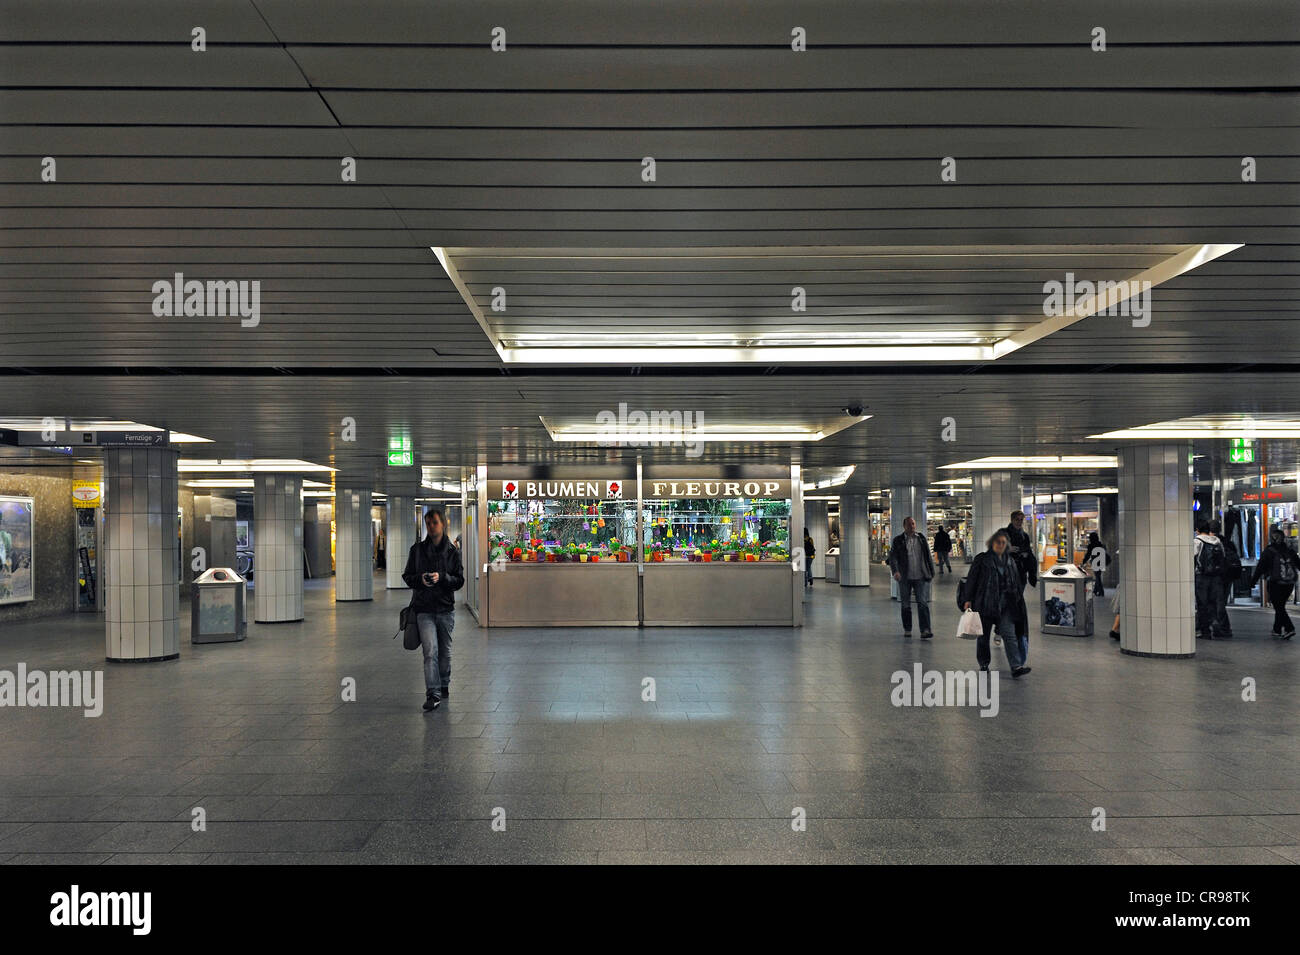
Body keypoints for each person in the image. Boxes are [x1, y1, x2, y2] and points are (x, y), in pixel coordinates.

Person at [402, 508, 465, 711]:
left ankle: (444, 683)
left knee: (445, 653)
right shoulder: (417, 550)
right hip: (424, 609)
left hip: (446, 609)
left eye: (434, 523)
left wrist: (442, 577)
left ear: (443, 524)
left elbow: (459, 580)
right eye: (428, 523)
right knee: (430, 652)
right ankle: (433, 693)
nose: (431, 527)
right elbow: (407, 575)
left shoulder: (452, 552)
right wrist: (420, 580)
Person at [963, 530, 1031, 677]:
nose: (1000, 545)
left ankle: (1016, 666)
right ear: (992, 543)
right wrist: (967, 599)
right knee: (983, 637)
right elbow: (972, 580)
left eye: (1003, 543)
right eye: (998, 542)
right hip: (985, 604)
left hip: (1006, 605)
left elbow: (1016, 582)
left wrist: (1018, 600)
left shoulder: (1010, 561)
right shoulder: (982, 559)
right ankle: (984, 663)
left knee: (1009, 634)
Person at [1000, 511, 1038, 664]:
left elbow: (1028, 551)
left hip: (1020, 574)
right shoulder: (1004, 533)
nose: (1020, 522)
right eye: (1017, 519)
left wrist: (1026, 557)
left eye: (1022, 520)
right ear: (1012, 519)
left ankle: (1008, 625)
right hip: (1006, 574)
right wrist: (1007, 550)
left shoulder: (1024, 536)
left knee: (1015, 601)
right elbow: (994, 549)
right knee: (1006, 601)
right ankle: (1002, 626)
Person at [889, 516, 935, 638]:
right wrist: (895, 571)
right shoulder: (898, 540)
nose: (912, 526)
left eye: (913, 524)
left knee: (923, 603)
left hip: (920, 576)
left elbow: (927, 556)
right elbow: (893, 557)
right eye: (909, 524)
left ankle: (925, 630)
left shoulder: (921, 539)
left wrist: (931, 572)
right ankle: (907, 628)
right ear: (904, 526)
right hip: (904, 577)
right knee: (905, 604)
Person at [1250, 527, 1299, 639]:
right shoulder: (1290, 551)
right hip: (1289, 584)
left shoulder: (1269, 551)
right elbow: (1298, 564)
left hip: (1275, 583)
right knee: (1280, 605)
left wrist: (1253, 581)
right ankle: (1277, 629)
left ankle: (1289, 628)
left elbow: (1260, 568)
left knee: (1279, 607)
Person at [1193, 519, 1231, 640]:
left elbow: (1192, 558)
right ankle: (1219, 625)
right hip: (1216, 577)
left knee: (1202, 604)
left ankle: (1205, 631)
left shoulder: (1197, 541)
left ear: (1198, 530)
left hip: (1202, 577)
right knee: (1215, 603)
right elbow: (1223, 557)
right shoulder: (1217, 541)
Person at [1083, 531, 1108, 597]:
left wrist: (1084, 561)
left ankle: (1101, 591)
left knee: (1098, 577)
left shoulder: (1091, 545)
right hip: (1102, 562)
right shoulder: (1101, 544)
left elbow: (1088, 555)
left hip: (1096, 562)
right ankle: (1095, 590)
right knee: (1098, 576)